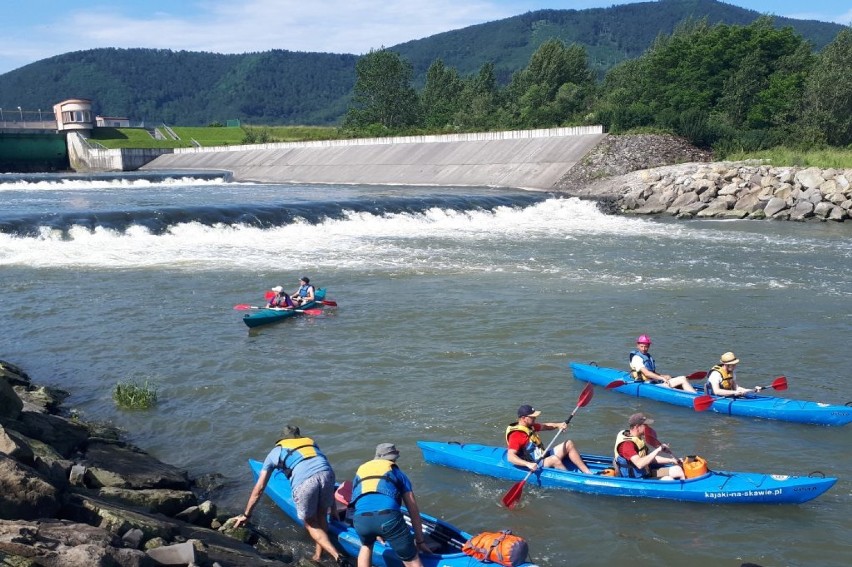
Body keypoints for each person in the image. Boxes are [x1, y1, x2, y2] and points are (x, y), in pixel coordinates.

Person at [232, 425, 351, 567]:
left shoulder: (275, 452)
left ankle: (337, 556)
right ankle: (318, 555)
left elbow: (259, 488)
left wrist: (247, 514)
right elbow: (321, 469)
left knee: (311, 522)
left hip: (306, 482)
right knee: (321, 516)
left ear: (282, 438)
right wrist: (332, 506)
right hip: (328, 474)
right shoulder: (311, 442)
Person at [349, 443, 430, 567]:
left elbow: (357, 500)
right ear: (393, 459)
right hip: (388, 518)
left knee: (366, 546)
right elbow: (413, 509)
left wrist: (376, 530)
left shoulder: (361, 470)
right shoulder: (397, 473)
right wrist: (420, 541)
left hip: (361, 519)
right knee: (412, 560)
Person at [506, 404, 591, 474]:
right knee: (554, 459)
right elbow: (510, 457)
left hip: (541, 456)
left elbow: (545, 426)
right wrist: (528, 464)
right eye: (532, 417)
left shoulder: (529, 426)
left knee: (568, 444)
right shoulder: (516, 435)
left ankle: (587, 473)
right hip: (533, 462)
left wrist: (558, 425)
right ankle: (572, 479)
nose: (535, 418)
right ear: (524, 418)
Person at [613, 413, 685, 480]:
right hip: (635, 479)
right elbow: (640, 464)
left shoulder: (636, 438)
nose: (648, 428)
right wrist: (657, 450)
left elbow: (649, 458)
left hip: (645, 472)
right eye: (645, 426)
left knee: (677, 470)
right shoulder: (627, 445)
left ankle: (684, 487)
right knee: (668, 480)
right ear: (637, 427)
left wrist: (671, 460)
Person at [629, 334, 697, 393]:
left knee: (677, 378)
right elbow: (647, 373)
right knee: (682, 379)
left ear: (649, 346)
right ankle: (695, 396)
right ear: (637, 345)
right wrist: (661, 378)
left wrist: (663, 376)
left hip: (653, 382)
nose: (643, 349)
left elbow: (651, 372)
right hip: (648, 385)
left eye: (646, 346)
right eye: (641, 346)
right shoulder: (637, 358)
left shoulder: (647, 356)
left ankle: (691, 391)